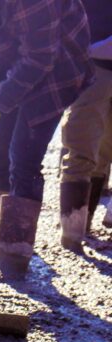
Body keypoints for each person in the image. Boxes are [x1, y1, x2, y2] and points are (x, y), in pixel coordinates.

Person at [0, 0, 93, 279]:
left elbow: (40, 58)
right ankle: (0, 241)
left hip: (55, 71)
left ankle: (14, 256)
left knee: (24, 156)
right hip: (7, 63)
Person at [59, 0, 112, 250]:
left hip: (92, 60)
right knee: (81, 145)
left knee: (103, 150)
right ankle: (74, 232)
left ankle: (79, 228)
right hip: (92, 69)